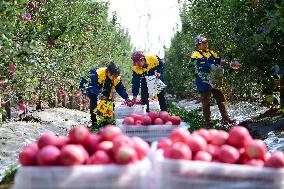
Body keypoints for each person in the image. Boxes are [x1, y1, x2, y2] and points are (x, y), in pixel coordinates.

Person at [190, 35, 236, 127]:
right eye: (203, 42)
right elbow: (192, 67)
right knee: (206, 101)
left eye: (206, 42)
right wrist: (203, 72)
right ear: (198, 44)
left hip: (215, 81)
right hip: (203, 82)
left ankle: (226, 118)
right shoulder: (195, 55)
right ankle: (208, 122)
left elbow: (219, 61)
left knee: (221, 98)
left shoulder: (211, 53)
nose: (206, 44)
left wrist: (229, 64)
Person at [80, 62, 132, 127]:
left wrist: (126, 98)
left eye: (116, 76)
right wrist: (98, 94)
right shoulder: (95, 73)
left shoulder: (116, 78)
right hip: (89, 86)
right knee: (93, 99)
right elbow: (90, 87)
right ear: (108, 72)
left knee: (108, 99)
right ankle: (94, 121)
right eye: (114, 76)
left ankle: (106, 120)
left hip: (102, 84)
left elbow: (120, 89)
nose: (115, 78)